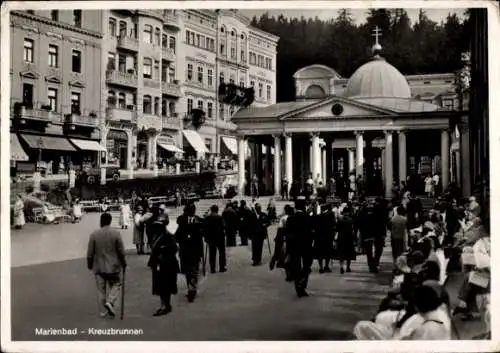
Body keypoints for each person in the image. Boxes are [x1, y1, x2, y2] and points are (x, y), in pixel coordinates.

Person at [86, 213, 127, 318]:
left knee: (101, 289)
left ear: (101, 221)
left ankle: (103, 311)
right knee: (117, 284)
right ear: (110, 221)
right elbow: (121, 251)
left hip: (99, 267)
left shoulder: (94, 234)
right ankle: (111, 301)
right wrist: (124, 263)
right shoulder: (116, 233)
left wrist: (89, 264)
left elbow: (90, 253)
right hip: (113, 266)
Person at [147, 207, 179, 316]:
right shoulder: (155, 237)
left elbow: (174, 249)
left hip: (167, 264)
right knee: (161, 286)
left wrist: (164, 251)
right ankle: (165, 305)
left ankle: (164, 305)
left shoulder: (168, 236)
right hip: (158, 264)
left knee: (165, 286)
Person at [285, 196, 313, 297]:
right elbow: (311, 232)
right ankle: (303, 282)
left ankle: (299, 289)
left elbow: (287, 233)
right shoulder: (307, 217)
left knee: (296, 266)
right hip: (306, 245)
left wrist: (288, 248)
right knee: (307, 265)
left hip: (294, 246)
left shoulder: (290, 218)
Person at [176, 203, 204, 302]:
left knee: (188, 271)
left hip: (185, 250)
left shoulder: (181, 221)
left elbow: (176, 236)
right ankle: (192, 288)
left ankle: (190, 288)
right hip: (196, 250)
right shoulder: (198, 221)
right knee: (194, 271)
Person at [204, 205, 227, 273]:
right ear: (217, 210)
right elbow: (224, 226)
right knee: (222, 253)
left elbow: (205, 228)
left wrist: (206, 237)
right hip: (220, 237)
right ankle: (222, 267)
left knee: (212, 254)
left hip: (211, 238)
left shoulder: (207, 218)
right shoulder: (220, 217)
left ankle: (212, 269)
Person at [270, 204, 293, 271]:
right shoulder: (289, 217)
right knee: (285, 250)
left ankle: (275, 260)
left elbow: (280, 228)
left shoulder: (283, 217)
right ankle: (281, 262)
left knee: (278, 249)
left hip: (281, 234)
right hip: (286, 234)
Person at [314, 203, 336, 273]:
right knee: (328, 252)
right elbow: (334, 225)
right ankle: (326, 266)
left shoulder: (318, 216)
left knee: (320, 253)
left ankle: (321, 267)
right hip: (328, 237)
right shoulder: (331, 215)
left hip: (319, 237)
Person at [336, 206, 356, 274]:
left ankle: (341, 267)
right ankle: (348, 267)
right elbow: (352, 230)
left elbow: (337, 229)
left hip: (341, 238)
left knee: (341, 254)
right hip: (349, 238)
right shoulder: (351, 220)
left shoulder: (340, 219)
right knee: (349, 254)